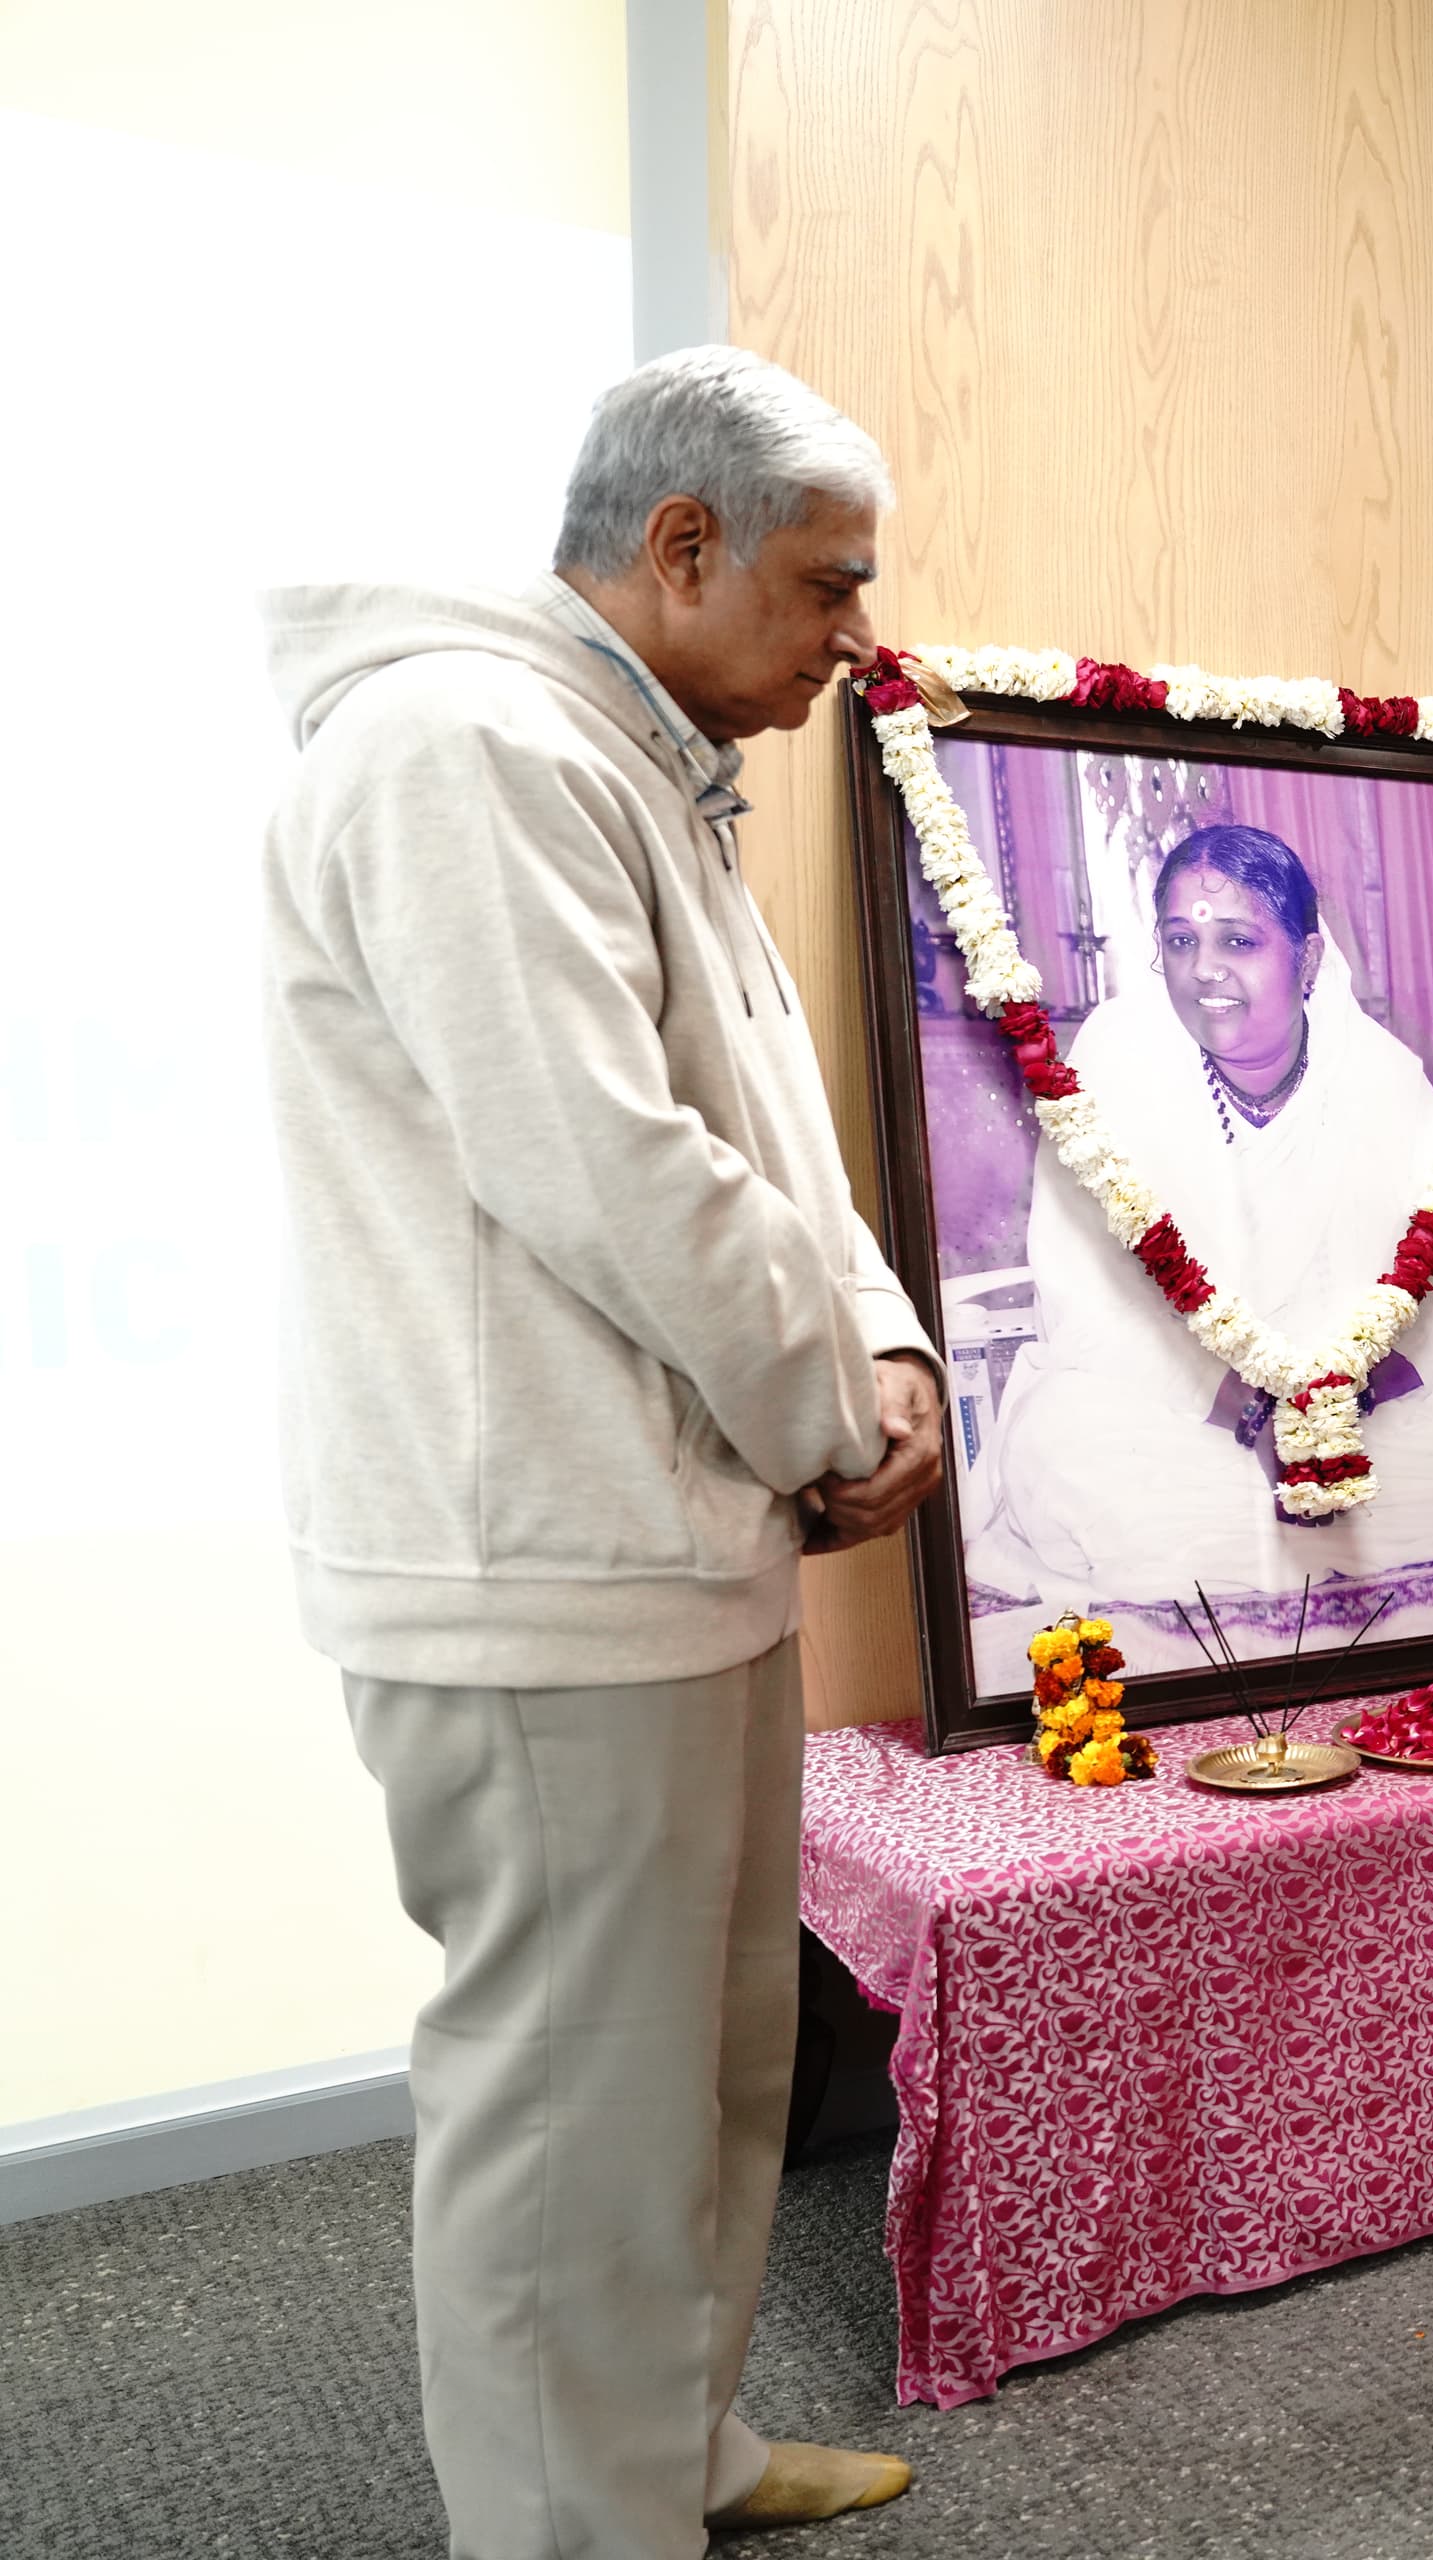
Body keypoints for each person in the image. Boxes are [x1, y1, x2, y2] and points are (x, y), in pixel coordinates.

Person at [264, 346, 936, 2553]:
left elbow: (782, 1140)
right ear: (679, 549)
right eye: (829, 587)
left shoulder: (638, 764)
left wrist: (887, 1360)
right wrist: (836, 1414)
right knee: (574, 2114)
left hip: (676, 1544)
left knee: (711, 2074)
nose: (856, 639)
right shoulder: (460, 743)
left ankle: (677, 2454)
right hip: (539, 1563)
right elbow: (613, 1169)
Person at [972, 820, 1433, 1636]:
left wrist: (1341, 1404)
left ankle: (1249, 1530)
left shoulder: (1384, 1077)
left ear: (1309, 958)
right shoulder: (1113, 1065)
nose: (1204, 970)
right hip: (1183, 1411)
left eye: (1239, 940)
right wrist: (1253, 1415)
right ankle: (1343, 1525)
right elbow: (1088, 1304)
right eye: (1181, 940)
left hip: (1360, 1407)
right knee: (1058, 1433)